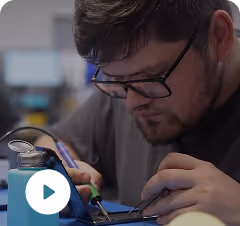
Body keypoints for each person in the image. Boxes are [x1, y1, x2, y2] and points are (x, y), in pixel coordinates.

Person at [36, 0, 240, 225]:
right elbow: (54, 142)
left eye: (152, 76)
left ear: (219, 38)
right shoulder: (124, 88)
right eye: (114, 79)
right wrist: (59, 172)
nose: (131, 103)